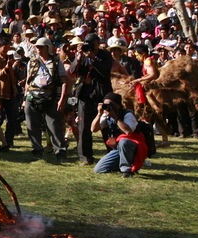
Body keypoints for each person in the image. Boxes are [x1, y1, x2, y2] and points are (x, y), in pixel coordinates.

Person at [68, 33, 113, 165]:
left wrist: (93, 58)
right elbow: (72, 71)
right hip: (85, 96)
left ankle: (112, 153)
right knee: (84, 128)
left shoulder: (105, 55)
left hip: (102, 95)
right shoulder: (82, 55)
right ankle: (85, 157)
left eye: (92, 44)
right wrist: (78, 57)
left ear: (98, 43)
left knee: (107, 127)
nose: (90, 47)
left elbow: (105, 72)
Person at [24, 37, 69, 162]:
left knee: (55, 126)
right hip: (32, 96)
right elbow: (28, 80)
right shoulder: (31, 62)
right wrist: (24, 98)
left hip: (50, 97)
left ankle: (60, 152)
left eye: (41, 47)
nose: (38, 49)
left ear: (48, 48)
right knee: (32, 125)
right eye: (37, 47)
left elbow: (64, 81)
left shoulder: (56, 62)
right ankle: (37, 150)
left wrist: (61, 99)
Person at [91, 93, 148, 177]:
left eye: (111, 104)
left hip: (134, 145)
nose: (108, 107)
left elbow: (128, 132)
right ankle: (124, 164)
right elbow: (93, 129)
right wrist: (99, 114)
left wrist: (115, 117)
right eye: (106, 104)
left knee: (124, 141)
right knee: (99, 169)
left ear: (118, 105)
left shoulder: (127, 114)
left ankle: (126, 170)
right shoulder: (106, 115)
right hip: (118, 147)